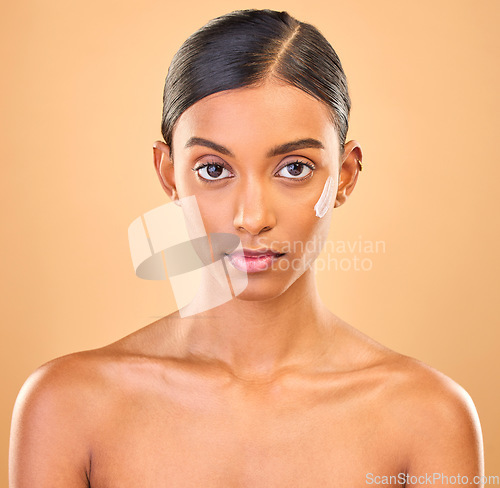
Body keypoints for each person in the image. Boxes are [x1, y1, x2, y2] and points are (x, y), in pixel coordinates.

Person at [9, 8, 484, 487]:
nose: (253, 218)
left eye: (294, 168)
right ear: (168, 172)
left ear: (344, 176)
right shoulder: (67, 407)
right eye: (214, 169)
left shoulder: (427, 417)